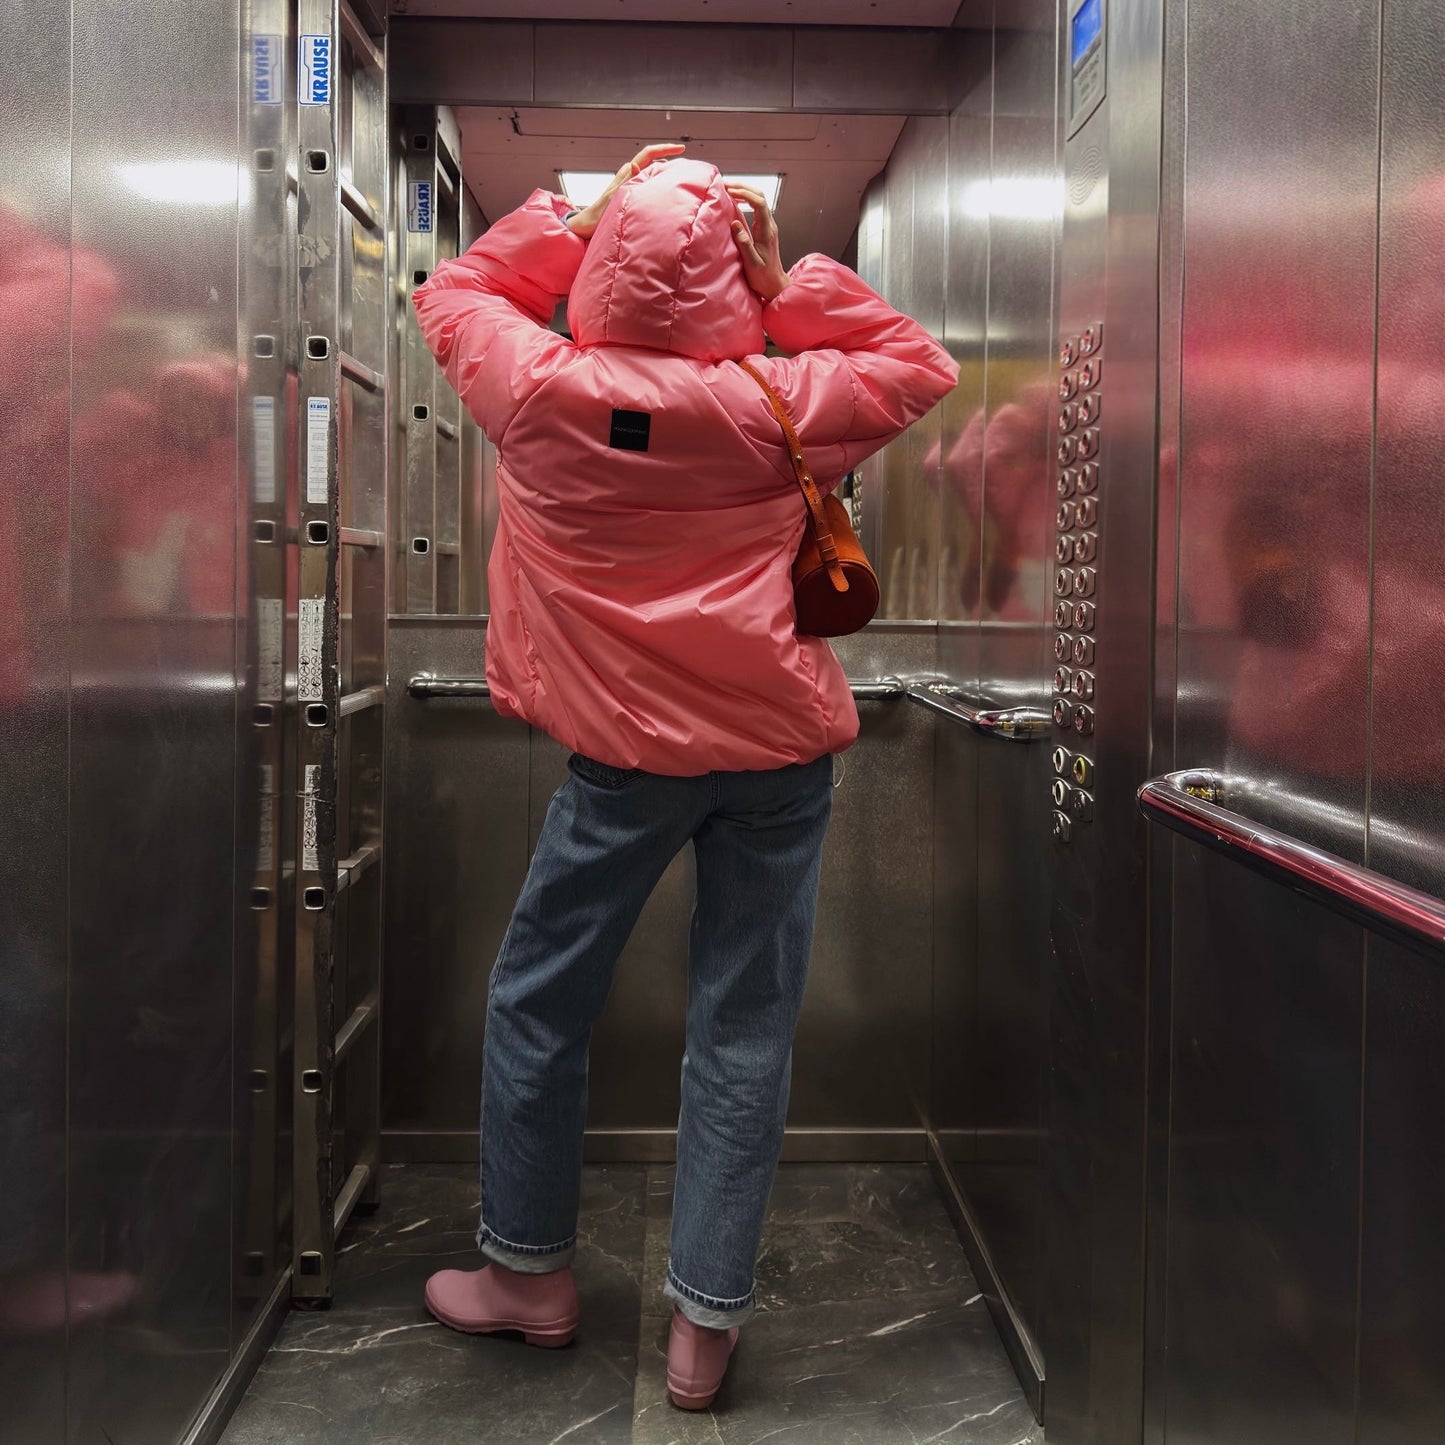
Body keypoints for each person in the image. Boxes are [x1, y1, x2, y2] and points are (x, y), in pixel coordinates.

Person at [411, 145, 957, 1411]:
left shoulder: (534, 385)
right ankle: (701, 1331)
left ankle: (529, 1273)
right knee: (744, 1028)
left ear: (600, 261)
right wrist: (782, 286)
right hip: (773, 758)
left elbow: (451, 293)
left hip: (619, 760)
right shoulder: (783, 397)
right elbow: (919, 363)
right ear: (732, 276)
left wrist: (569, 216)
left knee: (537, 1000)